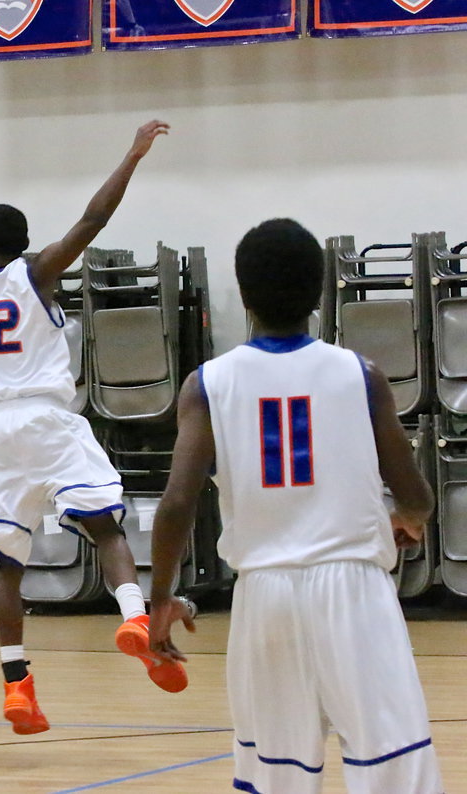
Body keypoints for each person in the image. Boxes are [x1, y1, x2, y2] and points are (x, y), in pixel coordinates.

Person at [0, 121, 182, 736]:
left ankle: (17, 684)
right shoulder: (38, 272)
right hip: (46, 419)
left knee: (5, 568)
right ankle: (132, 615)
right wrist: (131, 154)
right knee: (105, 527)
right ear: (23, 242)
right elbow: (93, 218)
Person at [148, 219, 444, 793]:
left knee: (276, 777)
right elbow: (415, 497)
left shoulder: (207, 384)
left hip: (263, 597)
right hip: (354, 592)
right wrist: (407, 519)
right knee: (394, 769)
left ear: (244, 296)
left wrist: (160, 598)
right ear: (318, 296)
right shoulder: (362, 376)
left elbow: (177, 503)